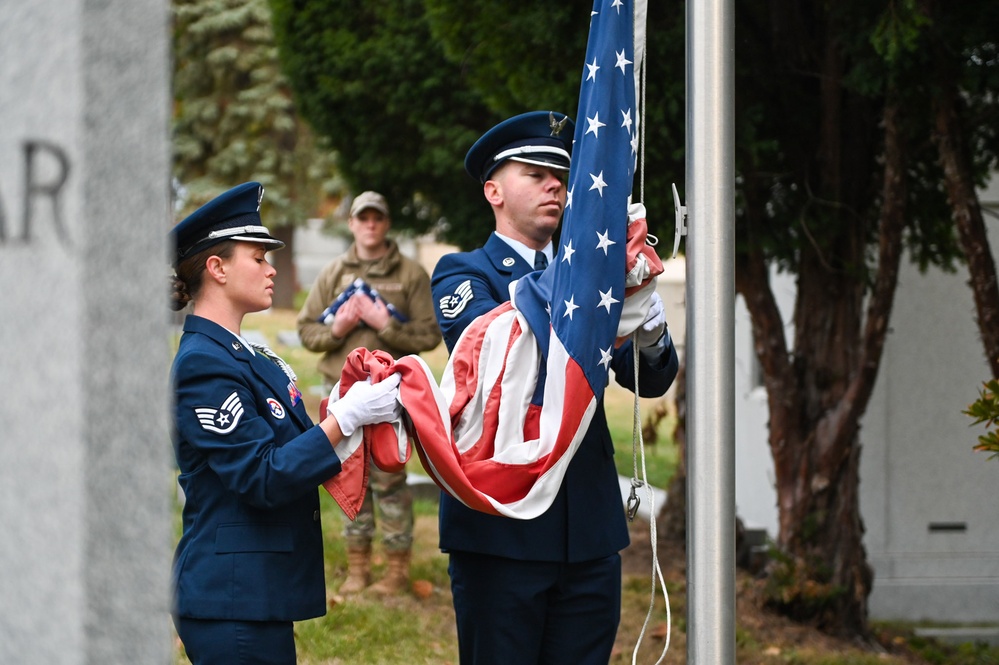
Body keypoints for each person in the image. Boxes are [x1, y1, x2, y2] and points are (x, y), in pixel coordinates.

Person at [430, 111, 680, 665]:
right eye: (535, 172)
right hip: (500, 528)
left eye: (561, 176)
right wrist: (601, 274)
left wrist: (648, 318)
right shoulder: (462, 272)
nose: (555, 185)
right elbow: (508, 344)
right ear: (493, 190)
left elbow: (652, 379)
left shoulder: (591, 279)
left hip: (587, 524)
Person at [169, 181, 402, 664]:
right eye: (258, 257)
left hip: (256, 594)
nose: (272, 268)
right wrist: (346, 416)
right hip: (229, 599)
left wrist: (346, 408)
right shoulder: (203, 363)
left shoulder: (248, 355)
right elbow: (263, 476)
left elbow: (294, 451)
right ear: (217, 268)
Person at [296, 190, 441, 595]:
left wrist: (387, 326)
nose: (370, 225)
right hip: (341, 393)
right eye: (363, 218)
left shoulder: (410, 274)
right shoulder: (333, 273)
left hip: (389, 395)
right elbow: (307, 330)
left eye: (378, 217)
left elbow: (430, 334)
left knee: (389, 477)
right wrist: (337, 331)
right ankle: (358, 567)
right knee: (347, 473)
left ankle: (395, 570)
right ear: (352, 224)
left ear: (387, 222)